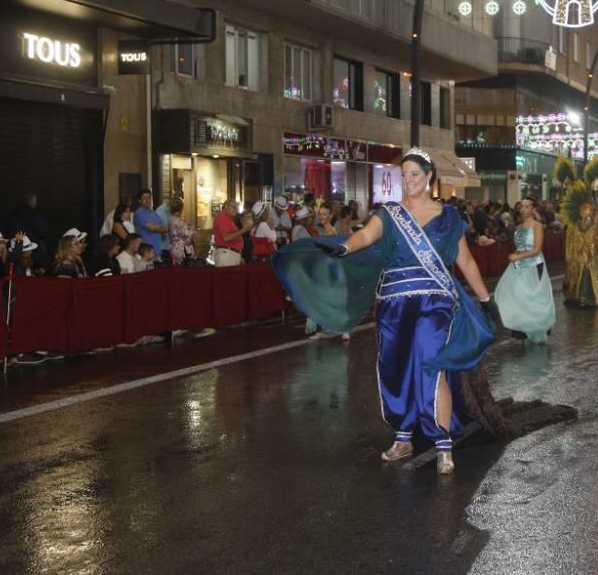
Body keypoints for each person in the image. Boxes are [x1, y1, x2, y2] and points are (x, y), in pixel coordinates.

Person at [272, 148, 494, 474]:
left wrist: (486, 298)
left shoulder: (448, 218)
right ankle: (403, 436)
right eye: (403, 175)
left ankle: (443, 441)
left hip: (435, 302)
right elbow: (365, 235)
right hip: (392, 303)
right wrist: (343, 247)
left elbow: (467, 262)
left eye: (414, 174)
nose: (408, 181)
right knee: (395, 368)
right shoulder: (390, 213)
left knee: (433, 363)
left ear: (429, 175)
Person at [494, 195, 555, 343]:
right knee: (518, 296)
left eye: (527, 207)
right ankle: (522, 330)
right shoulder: (518, 227)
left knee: (533, 297)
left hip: (534, 265)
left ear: (533, 209)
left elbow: (537, 249)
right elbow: (519, 247)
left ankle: (536, 327)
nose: (523, 209)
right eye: (521, 206)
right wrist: (515, 255)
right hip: (519, 265)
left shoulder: (537, 226)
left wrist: (518, 257)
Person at [563, 202, 598, 307]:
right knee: (577, 275)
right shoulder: (573, 227)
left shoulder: (595, 228)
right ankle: (579, 297)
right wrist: (572, 255)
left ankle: (588, 298)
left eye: (590, 215)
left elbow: (597, 243)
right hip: (578, 258)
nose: (588, 218)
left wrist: (592, 255)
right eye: (586, 215)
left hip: (592, 259)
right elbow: (570, 243)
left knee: (589, 273)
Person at [5, 193, 49, 269]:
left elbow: (7, 231)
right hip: (33, 250)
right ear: (32, 201)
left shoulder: (13, 214)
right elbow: (43, 231)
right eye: (35, 201)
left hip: (15, 249)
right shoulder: (34, 215)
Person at [212, 201, 251, 267]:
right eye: (234, 207)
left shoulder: (228, 219)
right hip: (227, 254)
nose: (236, 210)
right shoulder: (222, 217)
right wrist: (244, 230)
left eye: (237, 208)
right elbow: (226, 237)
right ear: (226, 206)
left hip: (229, 254)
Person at [132, 189, 166, 254]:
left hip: (157, 250)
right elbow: (152, 228)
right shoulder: (139, 213)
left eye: (149, 198)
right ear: (139, 200)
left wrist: (160, 228)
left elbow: (162, 227)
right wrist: (168, 226)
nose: (147, 200)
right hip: (145, 252)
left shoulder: (153, 212)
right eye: (144, 198)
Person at [168, 198, 195, 265]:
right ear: (181, 209)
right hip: (182, 251)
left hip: (173, 248)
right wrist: (191, 230)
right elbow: (188, 239)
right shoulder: (180, 222)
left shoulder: (170, 220)